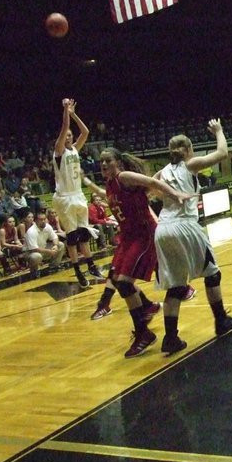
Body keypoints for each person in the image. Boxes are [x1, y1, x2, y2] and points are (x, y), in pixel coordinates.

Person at [82, 148, 188, 358]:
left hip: (143, 235)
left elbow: (152, 182)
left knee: (124, 283)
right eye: (101, 161)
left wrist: (175, 194)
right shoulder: (111, 184)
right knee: (118, 281)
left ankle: (143, 332)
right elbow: (105, 195)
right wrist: (86, 182)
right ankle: (146, 311)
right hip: (128, 237)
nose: (103, 164)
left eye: (108, 160)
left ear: (118, 162)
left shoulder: (124, 177)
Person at [154, 119, 232, 354]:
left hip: (163, 229)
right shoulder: (190, 164)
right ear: (188, 150)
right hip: (184, 225)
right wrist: (219, 131)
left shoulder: (162, 172)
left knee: (176, 285)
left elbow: (150, 190)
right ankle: (221, 320)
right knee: (212, 274)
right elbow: (222, 153)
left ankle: (170, 338)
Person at [52, 98, 103, 288]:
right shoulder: (59, 152)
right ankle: (77, 271)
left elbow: (86, 132)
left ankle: (91, 266)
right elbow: (65, 126)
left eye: (70, 135)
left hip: (78, 194)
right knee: (72, 238)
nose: (68, 137)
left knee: (84, 234)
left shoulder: (74, 149)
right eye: (65, 135)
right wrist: (66, 111)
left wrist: (74, 115)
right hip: (64, 197)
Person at [24, 212, 66, 277]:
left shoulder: (47, 226)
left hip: (43, 249)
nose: (43, 221)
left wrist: (55, 245)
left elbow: (55, 237)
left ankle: (54, 266)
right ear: (36, 221)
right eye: (41, 220)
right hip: (31, 252)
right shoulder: (31, 231)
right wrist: (49, 251)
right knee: (36, 256)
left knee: (60, 245)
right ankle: (34, 271)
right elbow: (34, 249)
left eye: (44, 219)